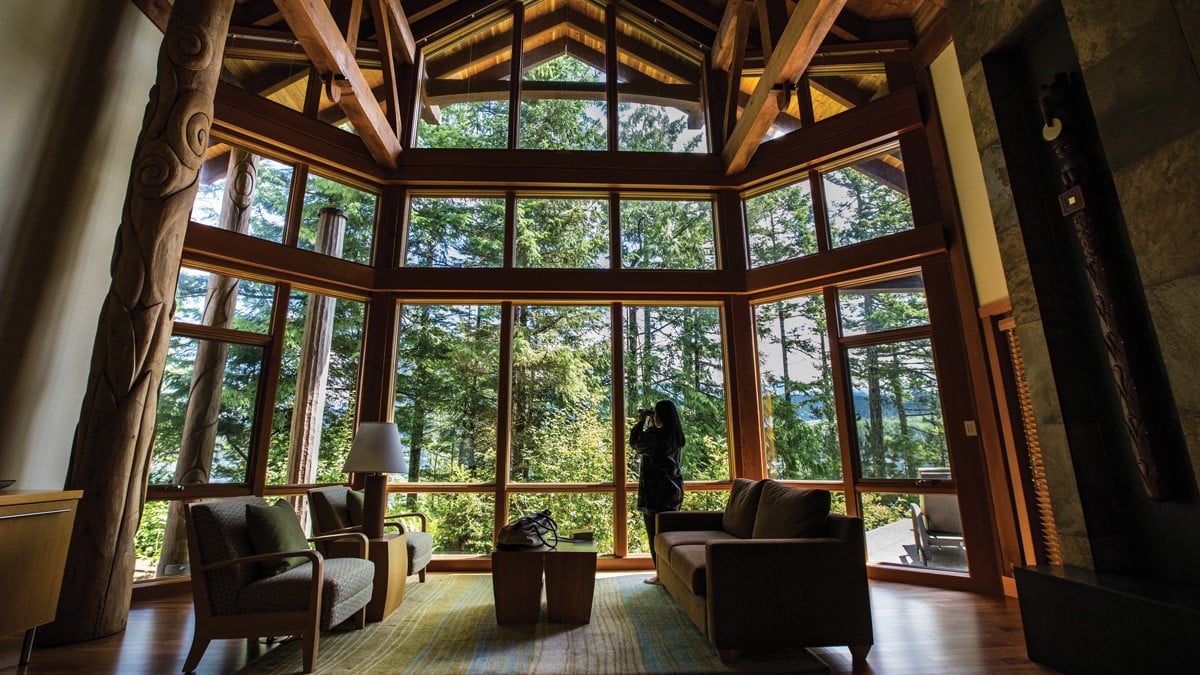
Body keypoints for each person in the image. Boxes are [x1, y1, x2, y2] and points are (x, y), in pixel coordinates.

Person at [629, 399, 685, 585]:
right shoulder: (675, 436)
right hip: (673, 492)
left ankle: (661, 575)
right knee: (669, 537)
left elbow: (635, 443)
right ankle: (670, 574)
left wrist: (641, 421)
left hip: (655, 493)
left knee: (655, 536)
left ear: (659, 416)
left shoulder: (656, 436)